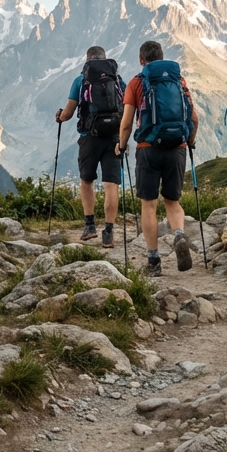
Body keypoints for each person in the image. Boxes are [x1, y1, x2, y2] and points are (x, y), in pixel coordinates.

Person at [115, 41, 199, 277]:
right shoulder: (178, 81)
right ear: (162, 57)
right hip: (177, 147)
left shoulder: (137, 82)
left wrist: (121, 146)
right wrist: (190, 141)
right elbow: (194, 117)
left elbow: (126, 123)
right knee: (172, 201)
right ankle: (179, 234)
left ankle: (153, 261)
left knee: (148, 205)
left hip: (148, 148)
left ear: (142, 60)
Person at [55, 46, 124, 247]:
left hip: (89, 138)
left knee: (87, 181)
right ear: (105, 59)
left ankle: (89, 226)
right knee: (111, 185)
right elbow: (127, 107)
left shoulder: (81, 80)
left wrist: (59, 116)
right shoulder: (118, 80)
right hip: (113, 138)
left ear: (87, 60)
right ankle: (109, 232)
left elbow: (67, 114)